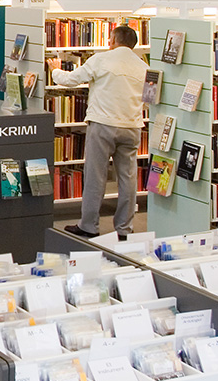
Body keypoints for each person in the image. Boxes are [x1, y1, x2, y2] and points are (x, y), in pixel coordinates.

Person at [46, 24, 147, 238]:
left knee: (95, 176)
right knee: (128, 179)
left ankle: (89, 226)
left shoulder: (101, 59)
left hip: (103, 124)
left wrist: (55, 69)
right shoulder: (143, 66)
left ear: (114, 40)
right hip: (132, 126)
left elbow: (70, 80)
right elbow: (148, 100)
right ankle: (124, 228)